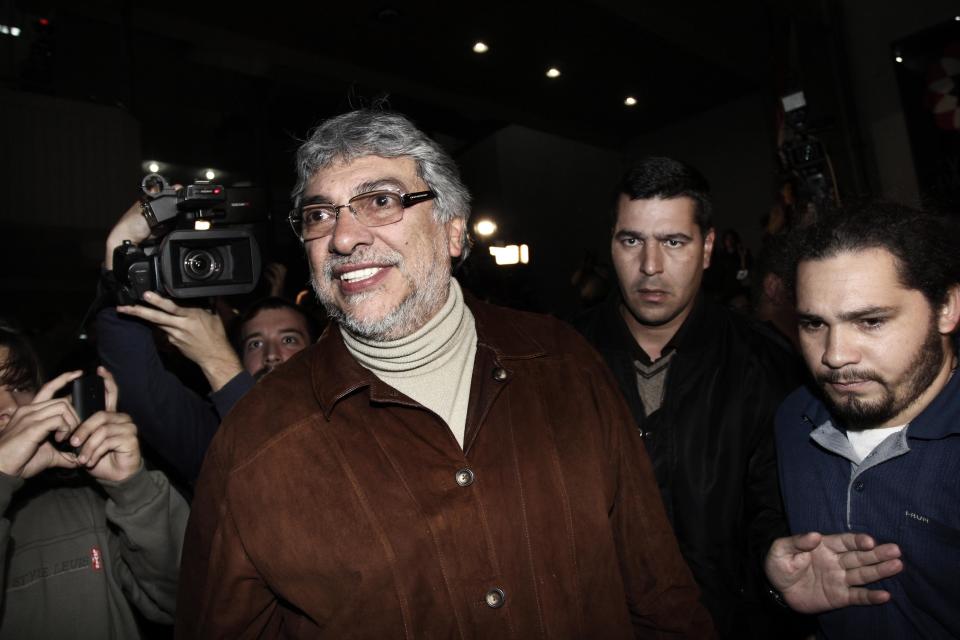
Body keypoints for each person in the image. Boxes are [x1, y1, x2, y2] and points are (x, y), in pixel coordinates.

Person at [176, 110, 714, 638]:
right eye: (320, 215)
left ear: (454, 232)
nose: (342, 238)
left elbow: (658, 591)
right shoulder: (255, 443)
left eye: (380, 201)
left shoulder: (563, 361)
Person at [574, 157, 804, 637]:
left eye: (673, 242)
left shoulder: (766, 364)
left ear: (707, 248)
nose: (650, 266)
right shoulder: (559, 360)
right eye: (631, 240)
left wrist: (776, 568)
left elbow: (777, 509)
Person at [764, 202, 960, 639]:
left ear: (946, 307)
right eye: (814, 324)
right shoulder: (794, 420)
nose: (834, 355)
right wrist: (778, 593)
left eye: (870, 321)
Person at [97, 203, 315, 483]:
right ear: (239, 356)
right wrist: (119, 249)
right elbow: (136, 380)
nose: (272, 355)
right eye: (255, 344)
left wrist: (218, 362)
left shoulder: (349, 419)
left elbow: (291, 481)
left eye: (289, 339)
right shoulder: (213, 435)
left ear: (315, 351)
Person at [0, 325, 187, 638]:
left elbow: (187, 603)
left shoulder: (86, 505)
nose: (10, 408)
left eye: (19, 387)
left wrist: (133, 489)